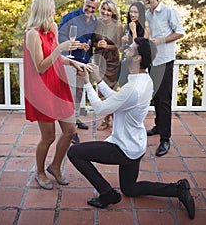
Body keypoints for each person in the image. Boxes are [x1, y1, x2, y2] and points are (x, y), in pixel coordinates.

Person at [67, 38, 195, 220]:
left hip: (124, 148)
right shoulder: (144, 80)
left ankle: (107, 194)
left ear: (138, 58)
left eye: (130, 50)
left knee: (75, 153)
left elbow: (102, 108)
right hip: (136, 145)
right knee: (129, 189)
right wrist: (97, 79)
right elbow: (119, 100)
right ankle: (178, 188)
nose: (125, 50)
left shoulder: (134, 88)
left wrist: (87, 83)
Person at [23, 0, 88, 189]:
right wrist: (60, 48)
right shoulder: (32, 34)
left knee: (70, 131)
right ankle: (40, 172)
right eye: (52, 8)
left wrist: (73, 62)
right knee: (49, 137)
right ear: (44, 10)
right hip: (43, 91)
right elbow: (41, 66)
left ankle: (56, 167)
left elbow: (55, 58)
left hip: (58, 86)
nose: (54, 11)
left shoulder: (51, 29)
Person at [141, 0, 184, 157]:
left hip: (165, 61)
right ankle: (158, 127)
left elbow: (180, 33)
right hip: (153, 61)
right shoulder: (148, 14)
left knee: (164, 101)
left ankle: (165, 139)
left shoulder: (168, 11)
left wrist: (160, 41)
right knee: (156, 98)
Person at [58, 0, 99, 143]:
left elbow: (95, 38)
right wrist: (76, 45)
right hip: (69, 60)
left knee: (79, 93)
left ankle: (74, 120)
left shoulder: (95, 21)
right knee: (70, 93)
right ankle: (70, 130)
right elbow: (60, 36)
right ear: (84, 3)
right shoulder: (70, 17)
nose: (89, 9)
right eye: (88, 6)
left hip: (84, 61)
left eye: (93, 8)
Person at [92, 0, 123, 131]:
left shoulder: (118, 26)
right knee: (100, 91)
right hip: (99, 59)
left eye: (108, 10)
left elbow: (120, 46)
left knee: (111, 91)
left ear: (113, 12)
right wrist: (97, 44)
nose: (105, 12)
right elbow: (92, 41)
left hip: (112, 61)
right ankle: (106, 119)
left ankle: (112, 118)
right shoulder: (96, 23)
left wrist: (108, 46)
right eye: (103, 9)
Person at [119, 1, 148, 87]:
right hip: (125, 62)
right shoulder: (127, 27)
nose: (132, 14)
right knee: (123, 85)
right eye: (131, 12)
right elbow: (121, 49)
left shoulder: (145, 29)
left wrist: (134, 31)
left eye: (135, 12)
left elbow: (139, 49)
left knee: (134, 88)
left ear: (141, 14)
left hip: (135, 65)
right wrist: (123, 42)